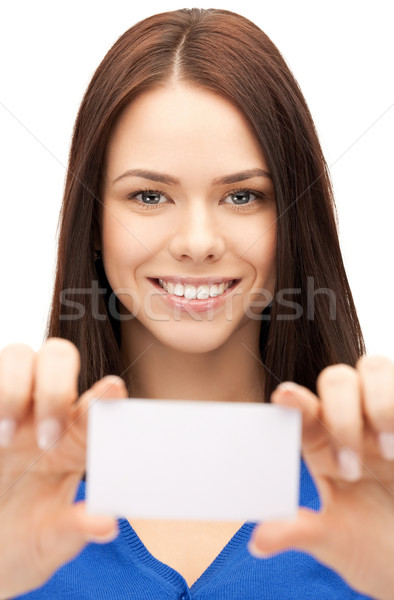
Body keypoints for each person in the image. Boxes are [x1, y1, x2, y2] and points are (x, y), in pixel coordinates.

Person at [0, 7, 393, 599]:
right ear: (93, 222)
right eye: (150, 195)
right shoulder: (15, 493)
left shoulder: (375, 491)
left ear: (294, 219)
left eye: (242, 195)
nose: (198, 243)